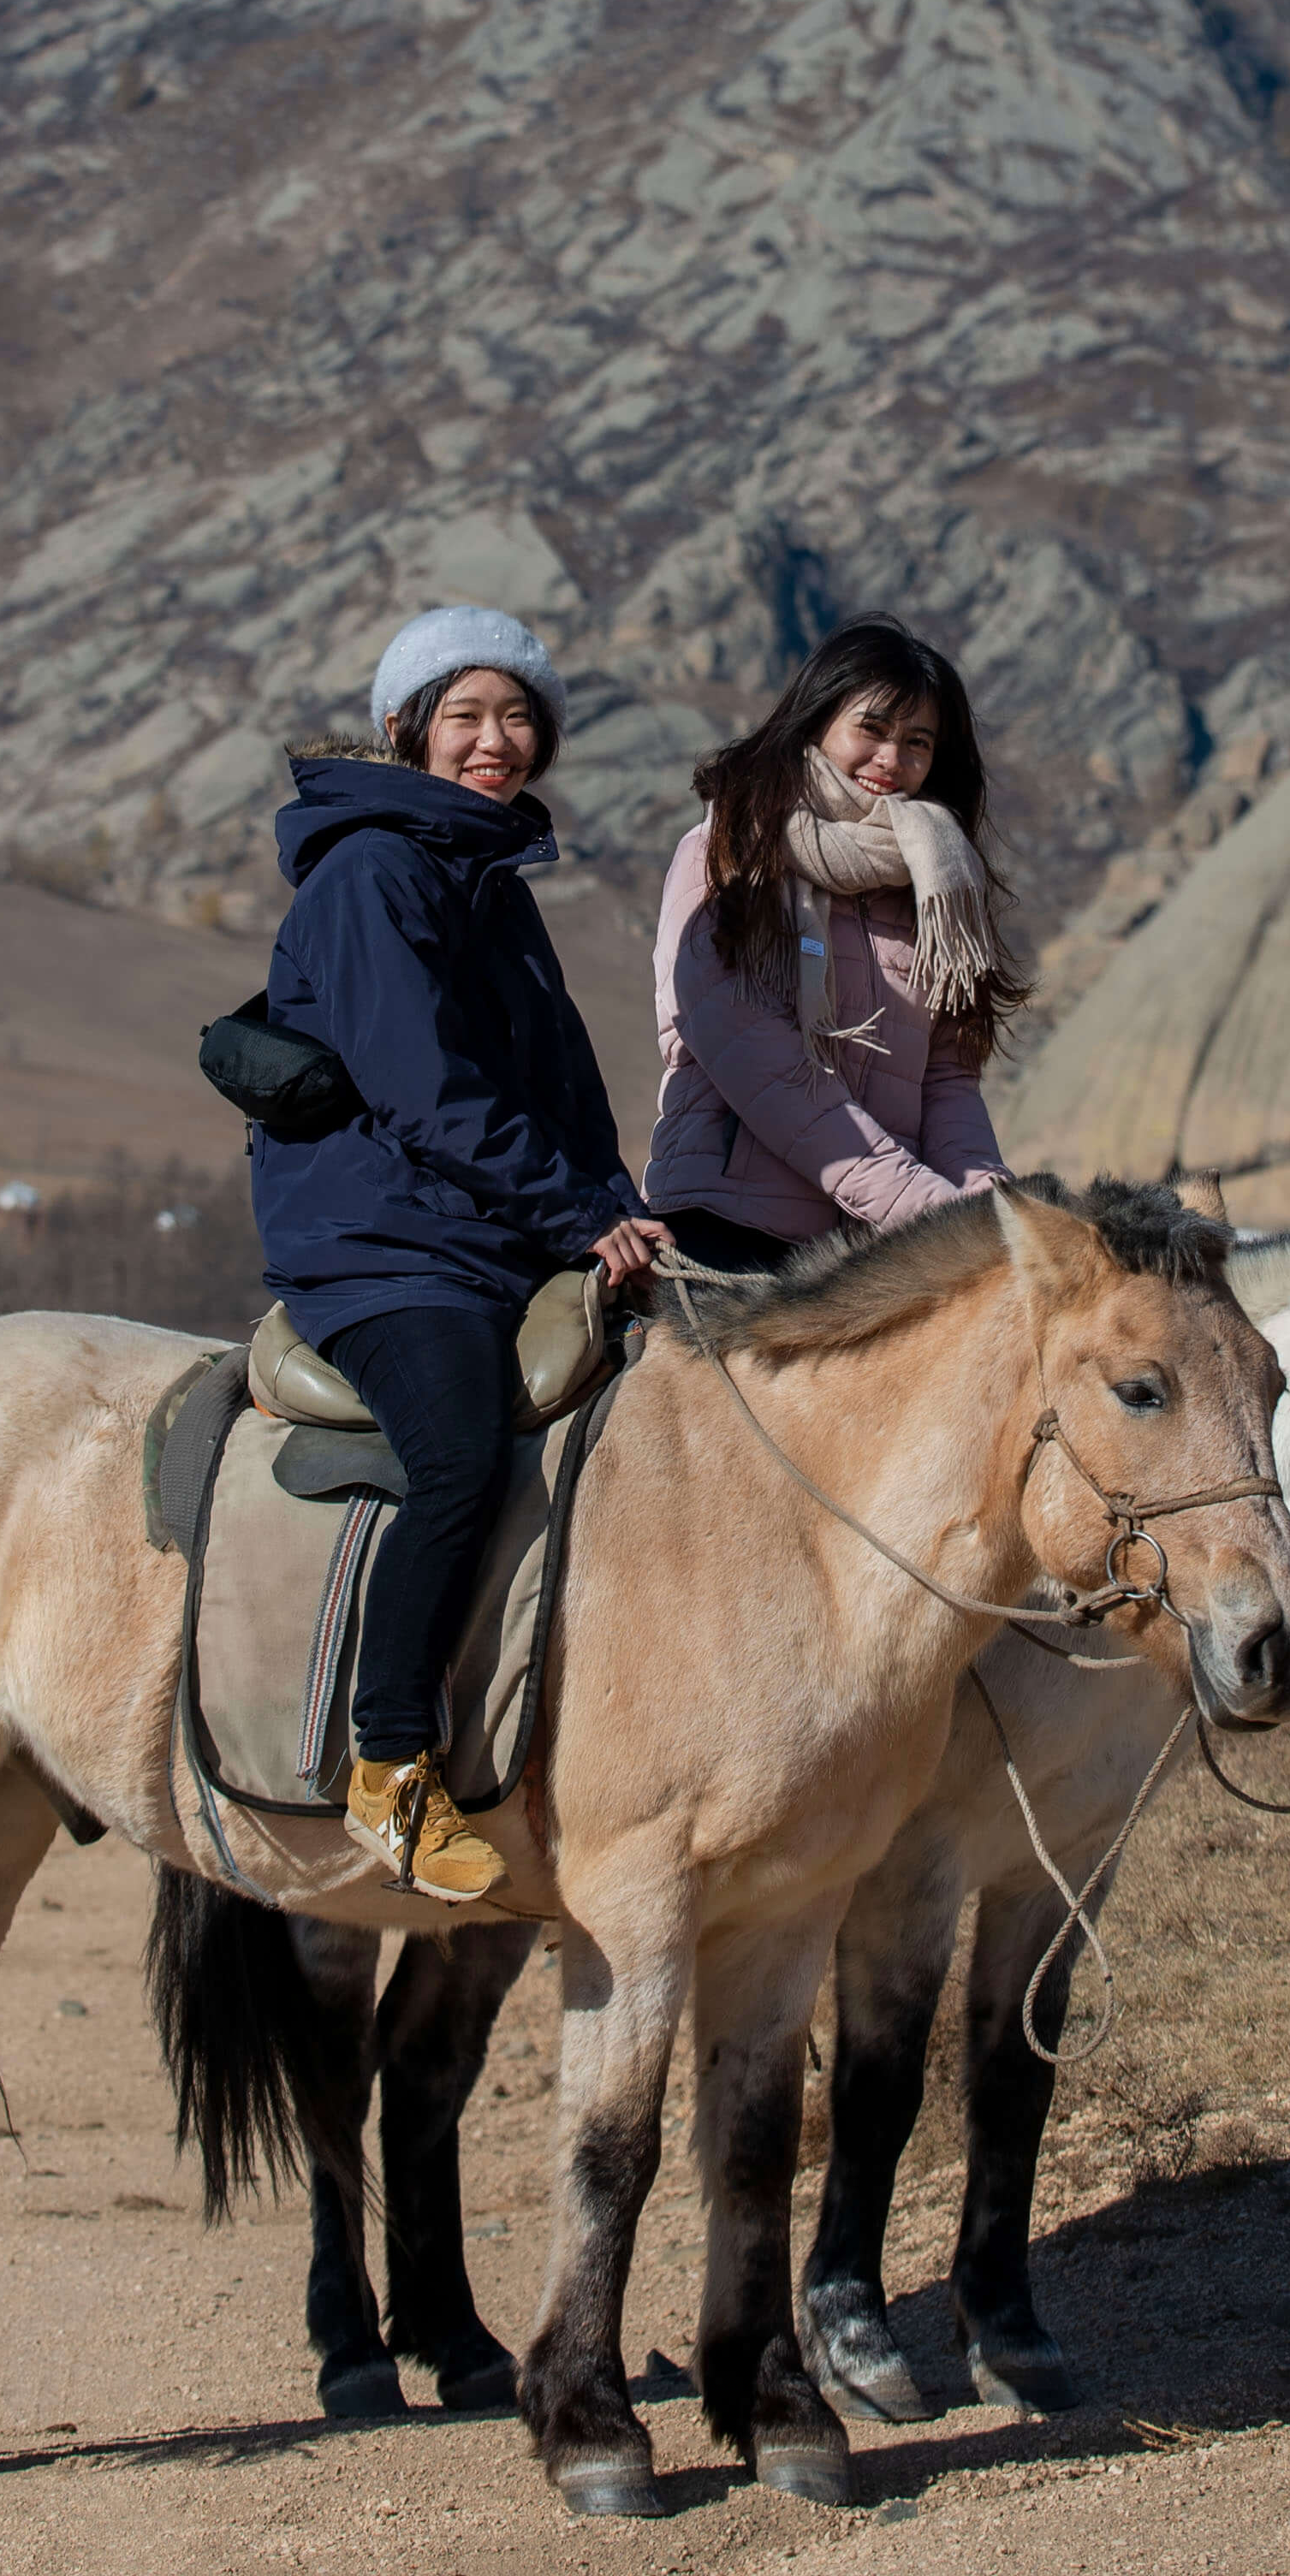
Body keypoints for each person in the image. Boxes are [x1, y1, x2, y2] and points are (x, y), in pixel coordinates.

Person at [249, 605, 664, 1904]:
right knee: (458, 1450)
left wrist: (622, 1213)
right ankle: (388, 1760)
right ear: (408, 728)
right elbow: (426, 1093)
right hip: (381, 1249)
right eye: (468, 714)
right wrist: (574, 1215)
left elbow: (557, 1095)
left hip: (476, 1234)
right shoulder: (376, 871)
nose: (499, 739)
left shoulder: (481, 878)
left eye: (519, 715)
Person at [645, 615, 1025, 1277]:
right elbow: (759, 1064)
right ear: (816, 721)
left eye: (917, 742)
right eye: (872, 729)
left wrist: (990, 1203)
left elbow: (945, 1080)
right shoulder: (728, 853)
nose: (891, 760)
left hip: (875, 1251)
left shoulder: (933, 880)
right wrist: (926, 1207)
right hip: (730, 1232)